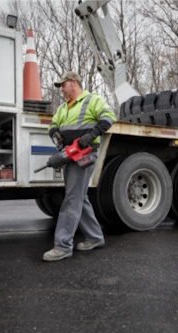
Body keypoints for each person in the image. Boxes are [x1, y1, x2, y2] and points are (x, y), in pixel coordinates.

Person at [43, 71, 117, 262]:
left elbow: (109, 117)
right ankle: (95, 237)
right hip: (69, 155)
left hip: (84, 155)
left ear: (73, 82)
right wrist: (55, 134)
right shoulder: (63, 108)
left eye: (63, 85)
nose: (62, 90)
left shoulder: (92, 100)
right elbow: (53, 125)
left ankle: (63, 246)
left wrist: (91, 135)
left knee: (72, 198)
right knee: (79, 197)